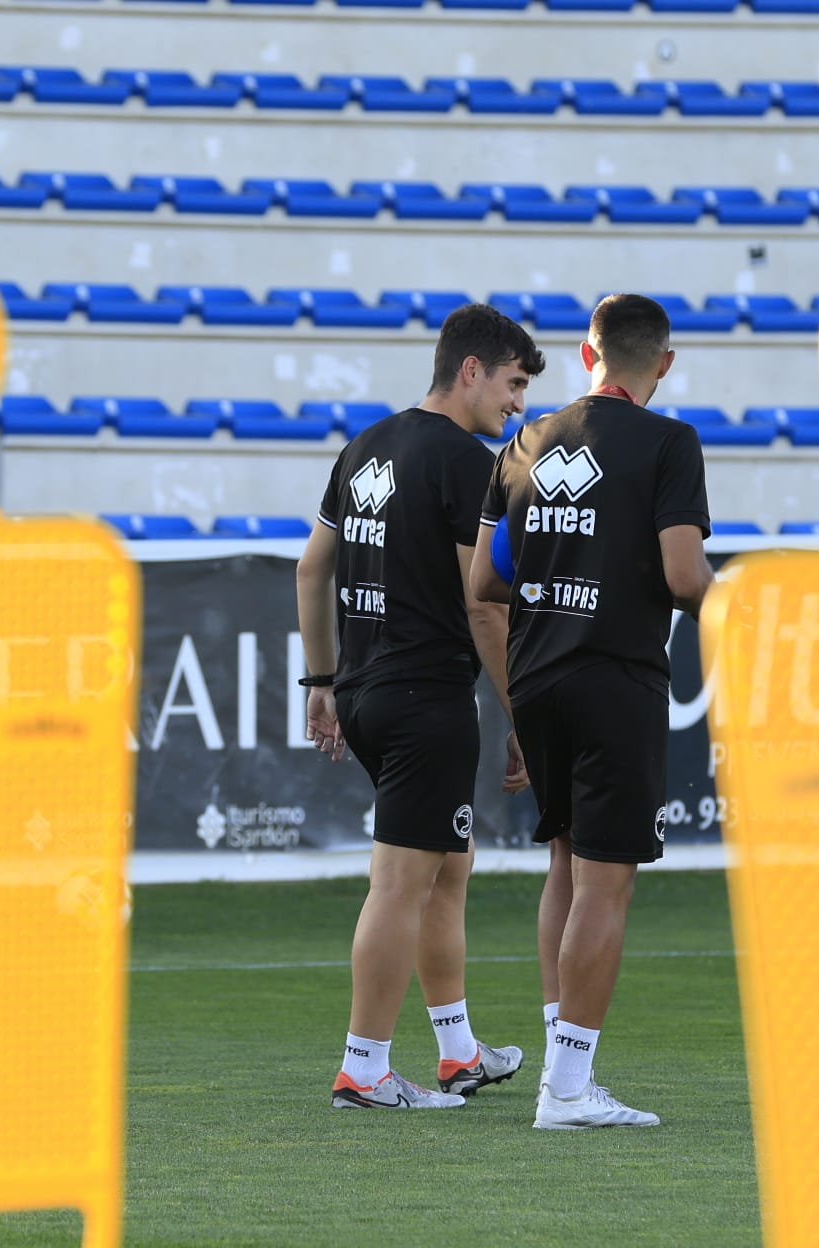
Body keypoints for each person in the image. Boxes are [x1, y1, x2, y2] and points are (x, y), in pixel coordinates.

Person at [470, 293, 714, 1130]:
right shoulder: (669, 443)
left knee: (567, 868)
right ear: (665, 365)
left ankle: (560, 1068)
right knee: (605, 885)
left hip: (539, 677)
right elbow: (684, 577)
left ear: (587, 353)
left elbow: (486, 585)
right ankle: (567, 1090)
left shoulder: (524, 441)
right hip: (617, 677)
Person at [297, 304, 545, 1110]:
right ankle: (364, 1068)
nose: (518, 404)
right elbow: (483, 607)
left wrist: (323, 683)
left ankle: (458, 1051)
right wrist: (522, 715)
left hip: (368, 690)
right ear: (469, 370)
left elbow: (311, 569)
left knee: (446, 871)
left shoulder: (365, 444)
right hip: (425, 699)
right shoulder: (469, 464)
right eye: (513, 384)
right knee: (403, 882)